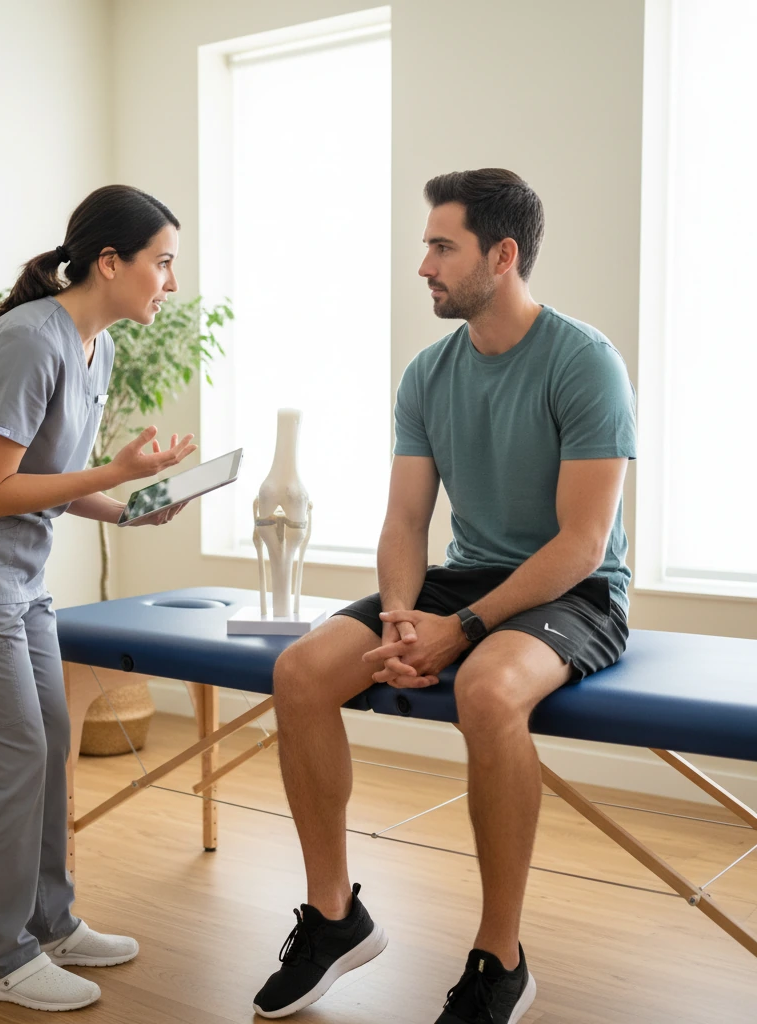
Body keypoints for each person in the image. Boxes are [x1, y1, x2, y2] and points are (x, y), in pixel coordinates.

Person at [253, 168, 636, 1023]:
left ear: (502, 256)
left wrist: (459, 629)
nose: (423, 265)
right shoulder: (428, 373)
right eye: (426, 245)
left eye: (441, 246)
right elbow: (403, 522)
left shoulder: (585, 364)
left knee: (486, 689)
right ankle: (334, 918)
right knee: (303, 671)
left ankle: (501, 958)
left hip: (574, 589)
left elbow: (580, 543)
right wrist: (399, 616)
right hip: (463, 579)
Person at [0, 184, 196, 1012]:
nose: (169, 282)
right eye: (161, 263)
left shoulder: (98, 347)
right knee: (9, 760)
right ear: (109, 262)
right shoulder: (29, 341)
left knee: (51, 738)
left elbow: (46, 481)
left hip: (18, 576)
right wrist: (117, 474)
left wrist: (131, 503)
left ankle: (51, 923)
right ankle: (0, 958)